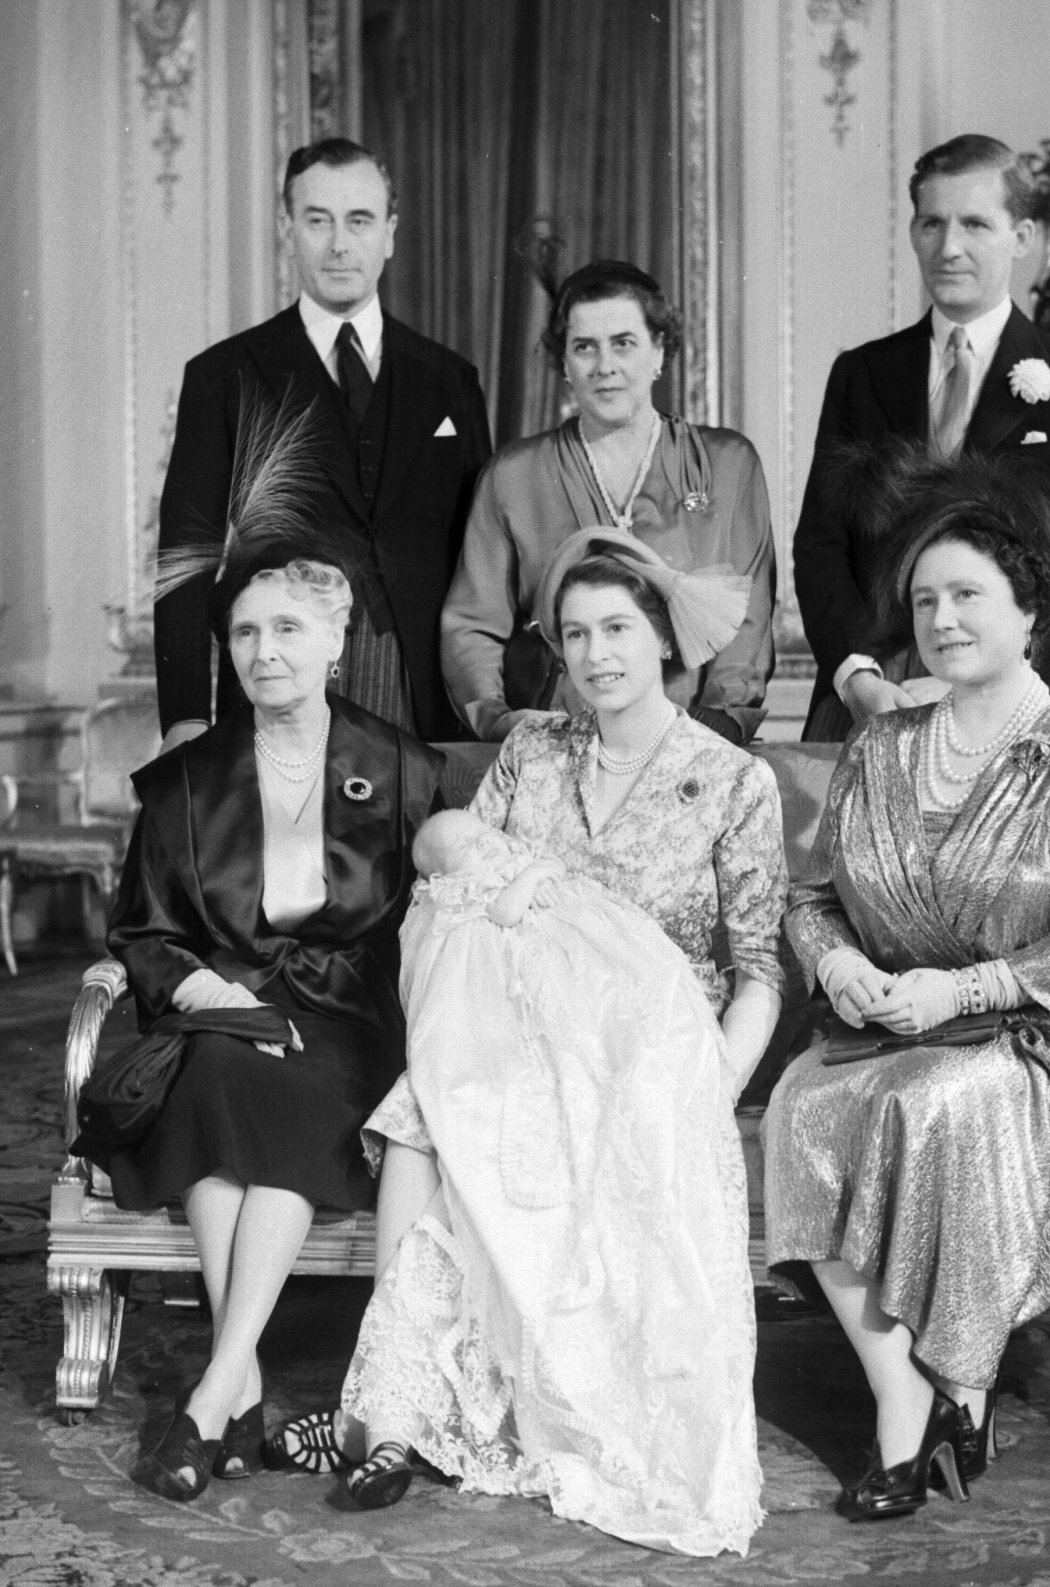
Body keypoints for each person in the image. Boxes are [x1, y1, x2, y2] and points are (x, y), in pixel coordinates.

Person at [271, 530, 788, 1556]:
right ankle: (393, 1407)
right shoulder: (533, 751)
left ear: (666, 638)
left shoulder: (732, 781)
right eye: (577, 634)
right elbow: (458, 882)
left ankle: (458, 1412)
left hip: (650, 1034)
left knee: (520, 1116)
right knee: (427, 1109)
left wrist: (710, 1084)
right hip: (519, 1018)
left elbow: (759, 968)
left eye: (619, 631)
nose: (597, 656)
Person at [763, 449, 1050, 1520]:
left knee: (937, 1105)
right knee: (801, 1106)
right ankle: (908, 1391)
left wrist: (963, 993)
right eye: (925, 600)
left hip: (1023, 1046)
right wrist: (838, 963)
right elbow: (812, 896)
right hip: (885, 1027)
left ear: (1031, 613)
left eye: (968, 594)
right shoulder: (882, 747)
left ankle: (943, 1398)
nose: (941, 617)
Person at [76, 532, 443, 1503]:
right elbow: (145, 932)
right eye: (244, 633)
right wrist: (213, 994)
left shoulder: (402, 768)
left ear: (336, 636)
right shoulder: (185, 781)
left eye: (287, 627)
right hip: (219, 1014)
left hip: (345, 1023)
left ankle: (219, 1393)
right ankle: (231, 1389)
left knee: (275, 1086)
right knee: (223, 1071)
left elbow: (432, 928)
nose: (264, 650)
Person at [154, 136, 492, 751]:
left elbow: (484, 561)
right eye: (318, 220)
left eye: (359, 221)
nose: (340, 244)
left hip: (421, 693)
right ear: (288, 229)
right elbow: (186, 560)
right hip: (276, 681)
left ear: (389, 231)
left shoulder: (450, 379)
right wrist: (184, 717)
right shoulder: (225, 376)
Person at [794, 134, 1050, 740]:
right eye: (932, 224)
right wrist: (858, 675)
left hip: (1009, 697)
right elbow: (820, 545)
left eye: (975, 224)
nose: (949, 247)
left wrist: (982, 671)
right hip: (874, 694)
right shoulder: (862, 374)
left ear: (1021, 238)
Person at [440, 259, 776, 746]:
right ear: (564, 365)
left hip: (693, 739)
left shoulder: (728, 464)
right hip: (556, 739)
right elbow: (471, 624)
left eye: (624, 343)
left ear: (659, 351)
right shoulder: (514, 474)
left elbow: (748, 616)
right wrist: (498, 719)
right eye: (584, 348)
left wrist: (718, 721)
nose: (605, 367)